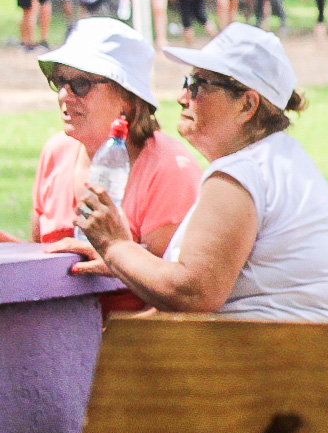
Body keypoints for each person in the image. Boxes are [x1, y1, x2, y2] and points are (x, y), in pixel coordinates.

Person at [74, 23, 328, 399]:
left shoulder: (242, 174)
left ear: (247, 104)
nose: (182, 96)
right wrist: (128, 262)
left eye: (198, 85)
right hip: (323, 382)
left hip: (302, 396)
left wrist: (114, 246)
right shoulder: (271, 160)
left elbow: (193, 293)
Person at [0, 18, 201, 315]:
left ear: (127, 100)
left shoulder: (171, 169)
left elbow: (177, 299)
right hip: (52, 335)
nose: (64, 95)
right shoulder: (56, 152)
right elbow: (41, 262)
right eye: (60, 81)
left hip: (132, 346)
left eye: (80, 84)